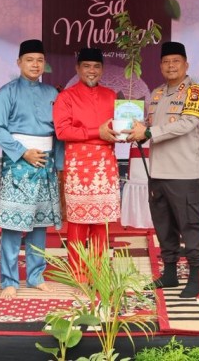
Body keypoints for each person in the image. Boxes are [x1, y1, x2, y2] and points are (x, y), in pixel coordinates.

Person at [129, 41, 199, 298]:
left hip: (184, 173)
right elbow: (150, 125)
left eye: (176, 61)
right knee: (164, 226)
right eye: (166, 61)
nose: (171, 65)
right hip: (158, 172)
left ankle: (195, 278)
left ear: (186, 64)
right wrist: (138, 134)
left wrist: (150, 132)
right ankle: (170, 274)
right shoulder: (156, 93)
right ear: (160, 65)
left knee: (190, 226)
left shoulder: (195, 92)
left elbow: (186, 124)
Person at [0, 39, 63, 298]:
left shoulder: (53, 94)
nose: (35, 65)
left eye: (40, 60)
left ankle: (35, 276)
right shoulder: (6, 92)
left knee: (39, 224)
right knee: (13, 224)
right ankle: (9, 280)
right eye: (30, 60)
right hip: (19, 163)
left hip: (46, 163)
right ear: (19, 62)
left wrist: (59, 164)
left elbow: (59, 132)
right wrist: (23, 152)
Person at [53, 48, 121, 279]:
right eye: (86, 66)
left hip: (105, 164)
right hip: (78, 166)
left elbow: (118, 128)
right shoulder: (66, 97)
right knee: (78, 223)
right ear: (77, 68)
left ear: (102, 70)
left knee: (102, 222)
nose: (92, 71)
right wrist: (98, 132)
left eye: (96, 66)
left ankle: (99, 272)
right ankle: (79, 274)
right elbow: (62, 131)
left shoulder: (112, 95)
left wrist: (132, 130)